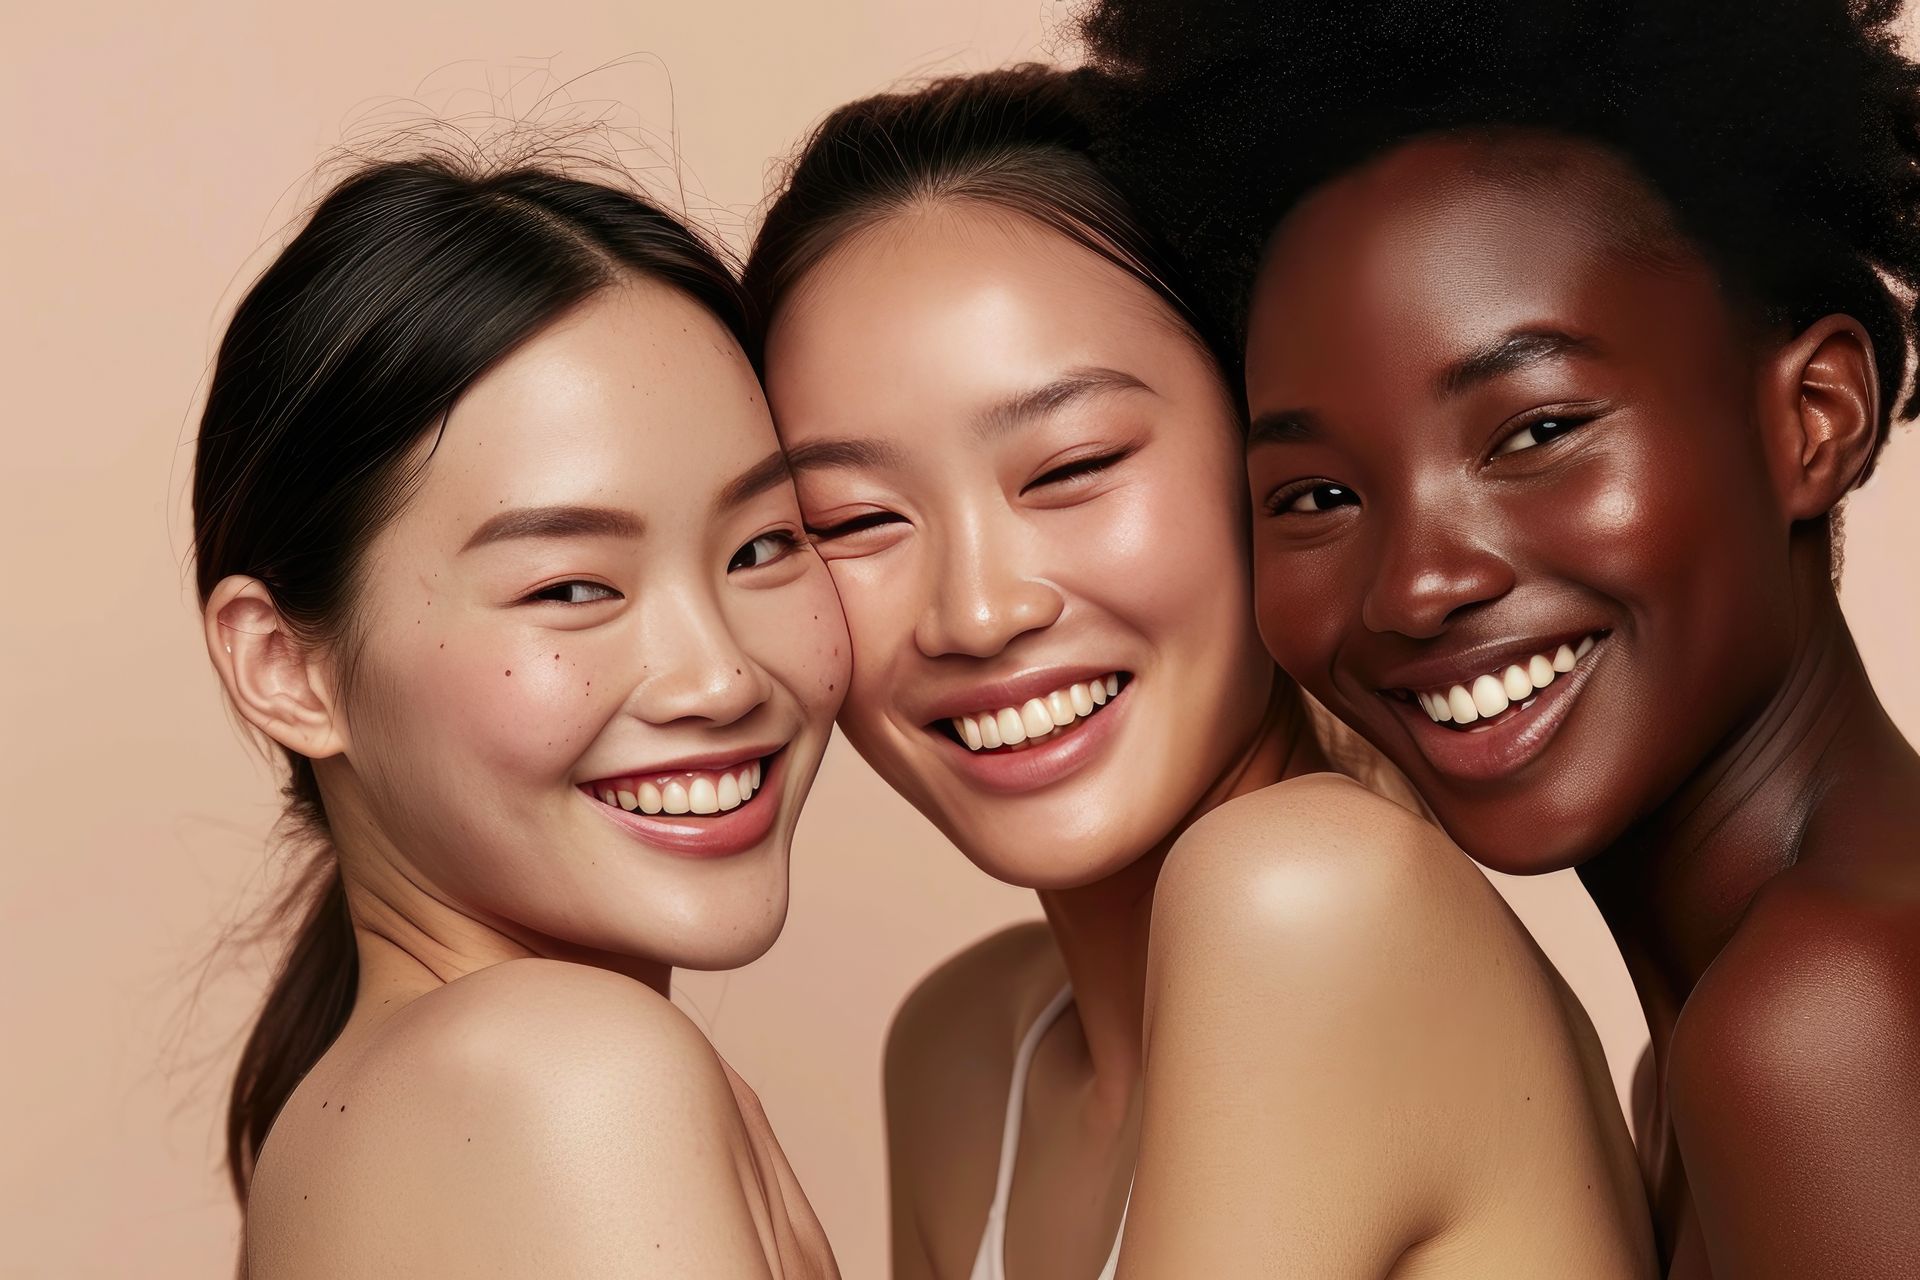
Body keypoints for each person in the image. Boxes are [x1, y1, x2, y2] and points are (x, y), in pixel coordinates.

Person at [746, 66, 1654, 1278]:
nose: (976, 609)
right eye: (853, 519)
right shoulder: (964, 1048)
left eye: (1071, 466)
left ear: (1265, 446)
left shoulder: (1310, 898)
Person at [1079, 0, 1920, 1273]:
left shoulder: (1818, 1019)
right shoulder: (1726, 1027)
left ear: (1816, 416)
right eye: (1317, 497)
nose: (1417, 585)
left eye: (1535, 432)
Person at [195, 155, 845, 1278]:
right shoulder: (573, 1082)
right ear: (286, 665)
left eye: (762, 545)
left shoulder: (378, 1110)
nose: (722, 676)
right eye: (573, 587)